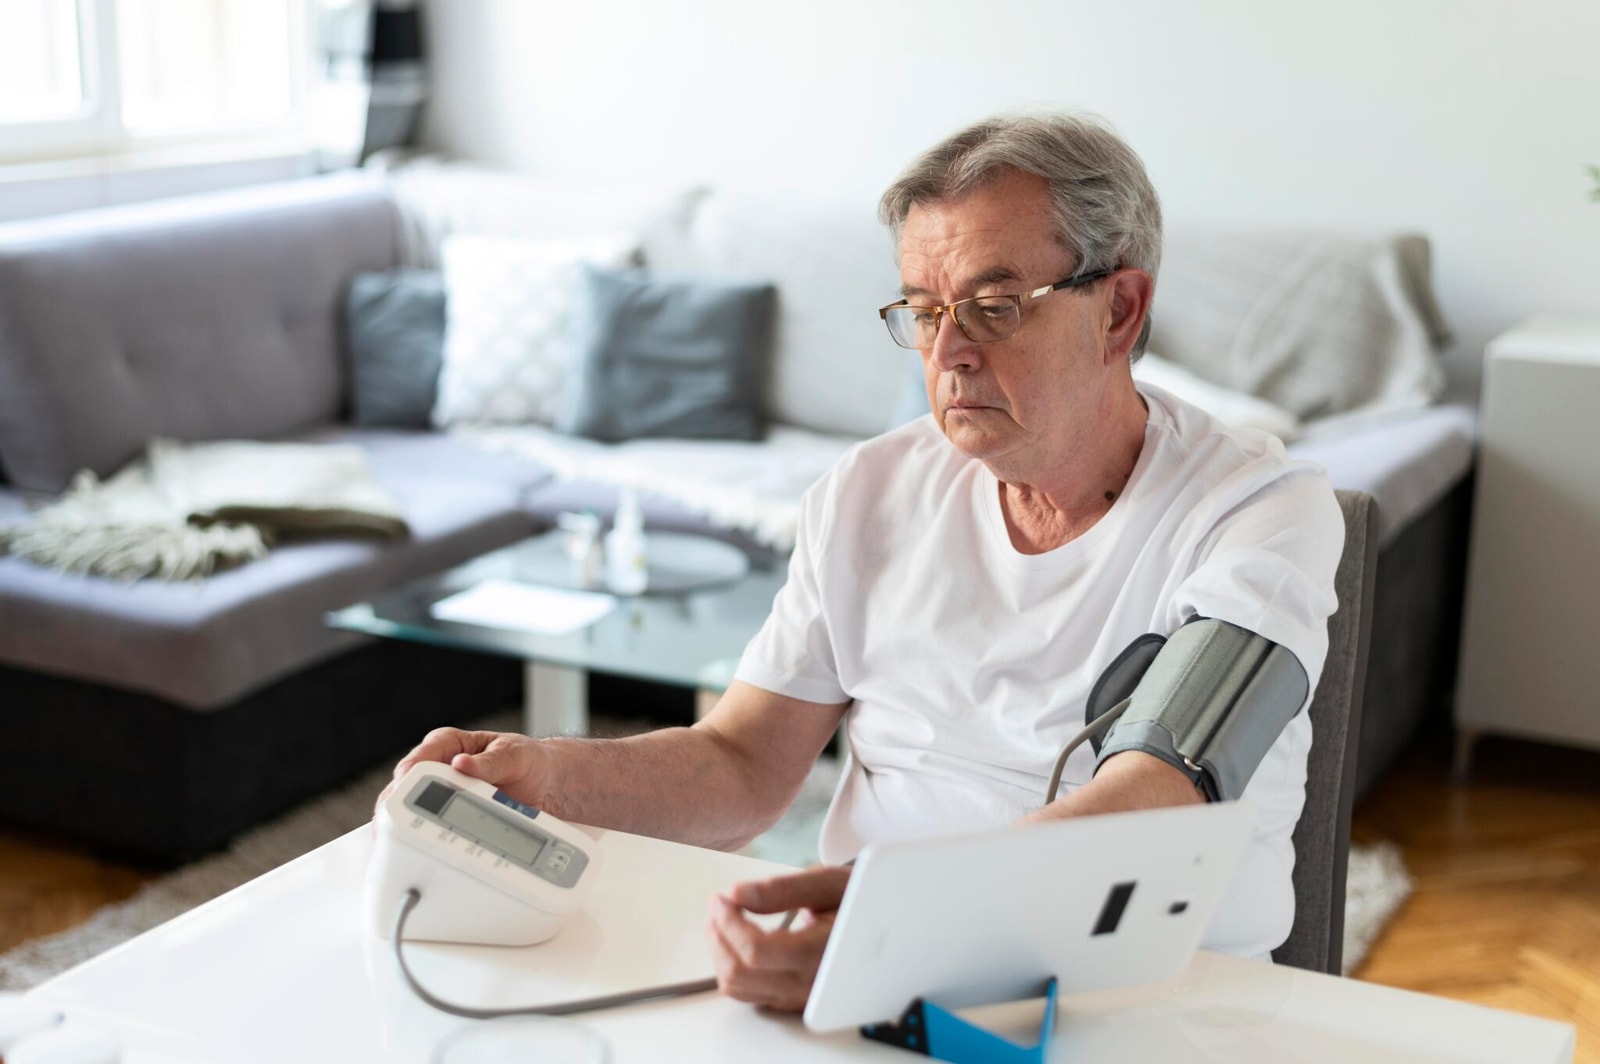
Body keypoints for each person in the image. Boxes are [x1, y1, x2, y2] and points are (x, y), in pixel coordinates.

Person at [382, 111, 1342, 1013]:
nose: (950, 352)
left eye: (996, 307)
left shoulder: (1259, 511)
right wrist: (548, 776)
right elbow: (744, 760)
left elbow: (1159, 794)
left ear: (1120, 310)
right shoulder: (868, 492)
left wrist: (901, 929)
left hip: (1152, 999)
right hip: (871, 978)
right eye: (925, 311)